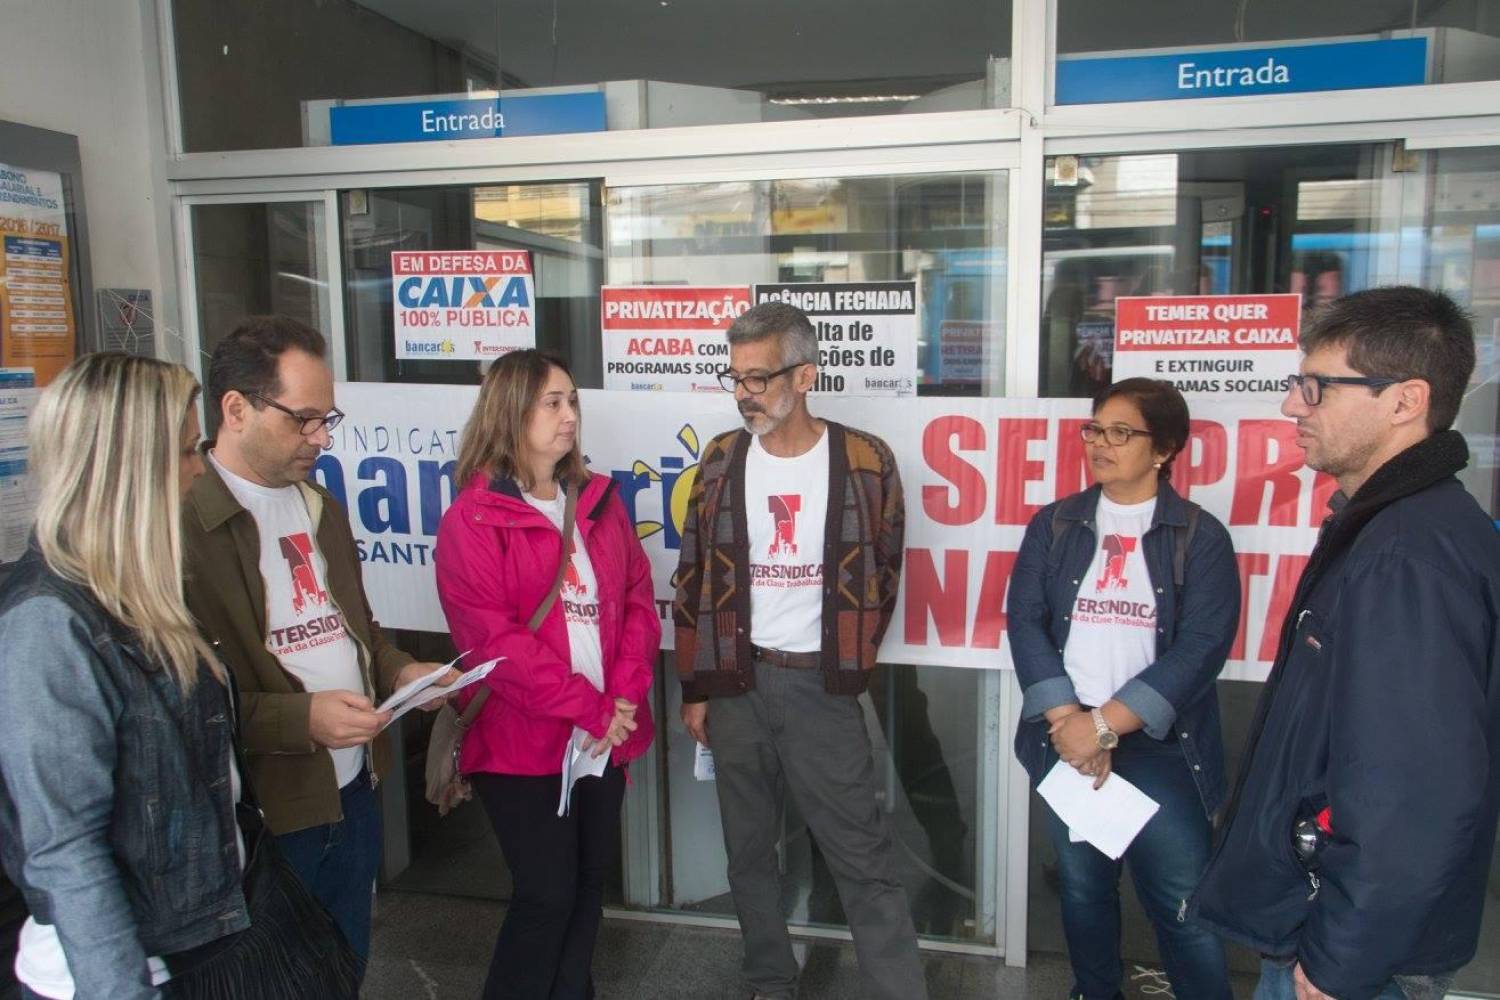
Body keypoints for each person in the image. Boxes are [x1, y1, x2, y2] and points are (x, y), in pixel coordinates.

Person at [0, 353, 357, 1000]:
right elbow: (65, 850)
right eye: (186, 449)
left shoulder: (140, 593)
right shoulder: (48, 625)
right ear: (128, 464)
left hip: (215, 943)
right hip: (135, 973)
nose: (199, 467)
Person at [1191, 286, 1500, 1000]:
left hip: (1349, 956)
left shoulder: (1408, 557)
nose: (1291, 406)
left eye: (1317, 387)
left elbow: (1416, 792)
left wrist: (1340, 963)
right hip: (1336, 932)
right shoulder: (1392, 529)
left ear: (1404, 401)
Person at [182, 317, 453, 970]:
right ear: (236, 409)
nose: (321, 437)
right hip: (268, 815)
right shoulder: (183, 524)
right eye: (303, 419)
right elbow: (182, 705)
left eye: (327, 418)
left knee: (342, 968)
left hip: (353, 793)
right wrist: (303, 719)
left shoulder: (320, 506)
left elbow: (358, 630)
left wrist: (399, 672)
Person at [675, 302, 927, 1000]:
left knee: (863, 856)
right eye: (736, 378)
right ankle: (768, 980)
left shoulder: (865, 461)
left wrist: (847, 661)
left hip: (820, 687)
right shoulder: (722, 459)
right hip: (735, 684)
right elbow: (692, 574)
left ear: (806, 374)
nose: (746, 393)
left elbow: (884, 571)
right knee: (748, 851)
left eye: (760, 377)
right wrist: (696, 685)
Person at [434, 349, 658, 1000]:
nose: (569, 416)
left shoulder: (597, 501)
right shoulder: (473, 520)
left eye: (572, 401)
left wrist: (621, 699)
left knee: (588, 891)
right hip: (521, 747)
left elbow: (639, 603)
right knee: (545, 897)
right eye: (551, 403)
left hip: (599, 740)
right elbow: (493, 644)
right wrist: (591, 708)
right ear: (511, 413)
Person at [1009, 378, 1238, 1000]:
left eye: (1120, 432)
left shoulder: (1199, 535)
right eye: (1094, 429)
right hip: (1068, 738)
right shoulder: (1055, 524)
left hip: (1161, 746)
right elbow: (1024, 620)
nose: (1100, 444)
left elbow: (1201, 650)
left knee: (1183, 902)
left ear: (1163, 448)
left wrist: (1104, 725)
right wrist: (1069, 721)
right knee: (1083, 889)